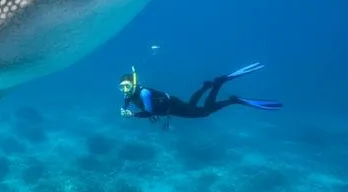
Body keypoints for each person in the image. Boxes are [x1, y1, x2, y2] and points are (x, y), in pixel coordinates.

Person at [119, 63, 282, 127]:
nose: (125, 90)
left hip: (173, 107)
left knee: (205, 112)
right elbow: (126, 102)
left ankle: (228, 94)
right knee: (191, 105)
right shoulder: (130, 95)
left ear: (133, 83)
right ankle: (205, 87)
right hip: (173, 105)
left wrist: (132, 114)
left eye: (126, 86)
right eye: (122, 87)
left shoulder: (144, 93)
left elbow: (150, 112)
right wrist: (124, 109)